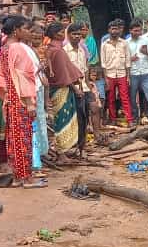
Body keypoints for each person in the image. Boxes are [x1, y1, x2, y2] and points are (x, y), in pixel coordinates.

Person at [0, 15, 42, 188]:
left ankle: (17, 177)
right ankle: (27, 177)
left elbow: (0, 78)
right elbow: (24, 77)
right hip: (21, 101)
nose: (29, 32)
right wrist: (29, 102)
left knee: (13, 139)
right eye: (26, 29)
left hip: (10, 101)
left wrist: (6, 96)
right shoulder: (18, 49)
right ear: (16, 30)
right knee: (24, 138)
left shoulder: (5, 49)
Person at [45, 22, 85, 153]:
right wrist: (76, 89)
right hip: (61, 89)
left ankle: (64, 149)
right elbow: (64, 75)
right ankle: (62, 151)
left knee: (60, 120)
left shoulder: (51, 49)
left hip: (54, 88)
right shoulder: (58, 51)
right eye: (62, 33)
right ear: (56, 34)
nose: (63, 35)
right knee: (63, 120)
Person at [64, 22, 99, 144]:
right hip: (72, 87)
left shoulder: (82, 50)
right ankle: (80, 141)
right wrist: (75, 89)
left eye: (79, 34)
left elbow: (86, 68)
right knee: (80, 115)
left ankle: (97, 135)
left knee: (94, 108)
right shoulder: (65, 51)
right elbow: (65, 73)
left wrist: (89, 85)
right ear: (68, 35)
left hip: (85, 85)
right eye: (74, 34)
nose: (77, 36)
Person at [24, 23, 49, 178]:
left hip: (38, 88)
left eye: (38, 36)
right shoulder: (23, 50)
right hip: (30, 91)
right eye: (32, 34)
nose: (35, 38)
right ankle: (35, 162)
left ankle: (38, 159)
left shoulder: (35, 50)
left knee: (39, 123)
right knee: (34, 125)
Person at [101, 20, 134, 125]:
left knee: (124, 97)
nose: (114, 31)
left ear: (119, 30)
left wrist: (128, 76)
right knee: (110, 98)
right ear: (108, 30)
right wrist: (105, 78)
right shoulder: (104, 44)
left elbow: (128, 60)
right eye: (112, 29)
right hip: (110, 75)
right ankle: (113, 119)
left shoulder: (124, 43)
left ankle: (130, 119)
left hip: (122, 74)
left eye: (116, 29)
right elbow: (103, 62)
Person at [126, 19, 148, 124]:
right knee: (132, 97)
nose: (137, 33)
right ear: (130, 31)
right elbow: (122, 59)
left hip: (145, 73)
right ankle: (135, 117)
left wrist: (145, 52)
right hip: (133, 73)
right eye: (135, 31)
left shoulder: (145, 41)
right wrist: (130, 59)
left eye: (139, 30)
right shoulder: (126, 43)